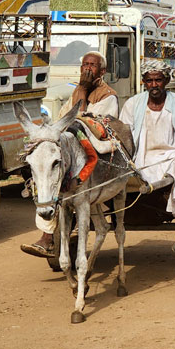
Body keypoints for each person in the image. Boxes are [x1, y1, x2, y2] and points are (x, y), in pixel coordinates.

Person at [21, 51, 118, 258]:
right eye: (85, 65)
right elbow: (62, 119)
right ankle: (48, 236)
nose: (87, 69)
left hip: (95, 153)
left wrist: (82, 92)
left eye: (92, 65)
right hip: (72, 146)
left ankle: (55, 235)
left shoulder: (108, 95)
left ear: (102, 71)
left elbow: (84, 121)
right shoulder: (76, 92)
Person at [120, 61, 175, 266]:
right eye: (149, 80)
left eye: (158, 80)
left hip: (172, 158)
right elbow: (123, 136)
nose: (154, 84)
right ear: (143, 82)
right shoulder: (133, 104)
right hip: (140, 161)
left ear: (166, 81)